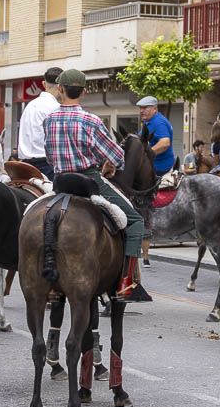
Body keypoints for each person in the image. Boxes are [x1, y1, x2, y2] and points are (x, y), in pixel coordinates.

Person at [44, 69, 147, 302]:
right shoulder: (90, 120)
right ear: (84, 91)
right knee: (135, 221)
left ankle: (50, 284)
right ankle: (126, 283)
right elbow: (118, 156)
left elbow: (50, 158)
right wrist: (108, 164)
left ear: (60, 90)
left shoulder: (49, 120)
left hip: (60, 182)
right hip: (88, 180)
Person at [17, 67, 63, 179]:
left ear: (43, 83)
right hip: (47, 167)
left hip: (24, 164)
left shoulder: (29, 105)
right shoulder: (56, 108)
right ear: (61, 86)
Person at [136, 96, 175, 177]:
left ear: (155, 109)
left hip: (160, 166)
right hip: (152, 164)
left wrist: (145, 153)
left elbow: (165, 143)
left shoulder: (158, 122)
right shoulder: (149, 122)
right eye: (140, 108)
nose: (141, 111)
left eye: (145, 108)